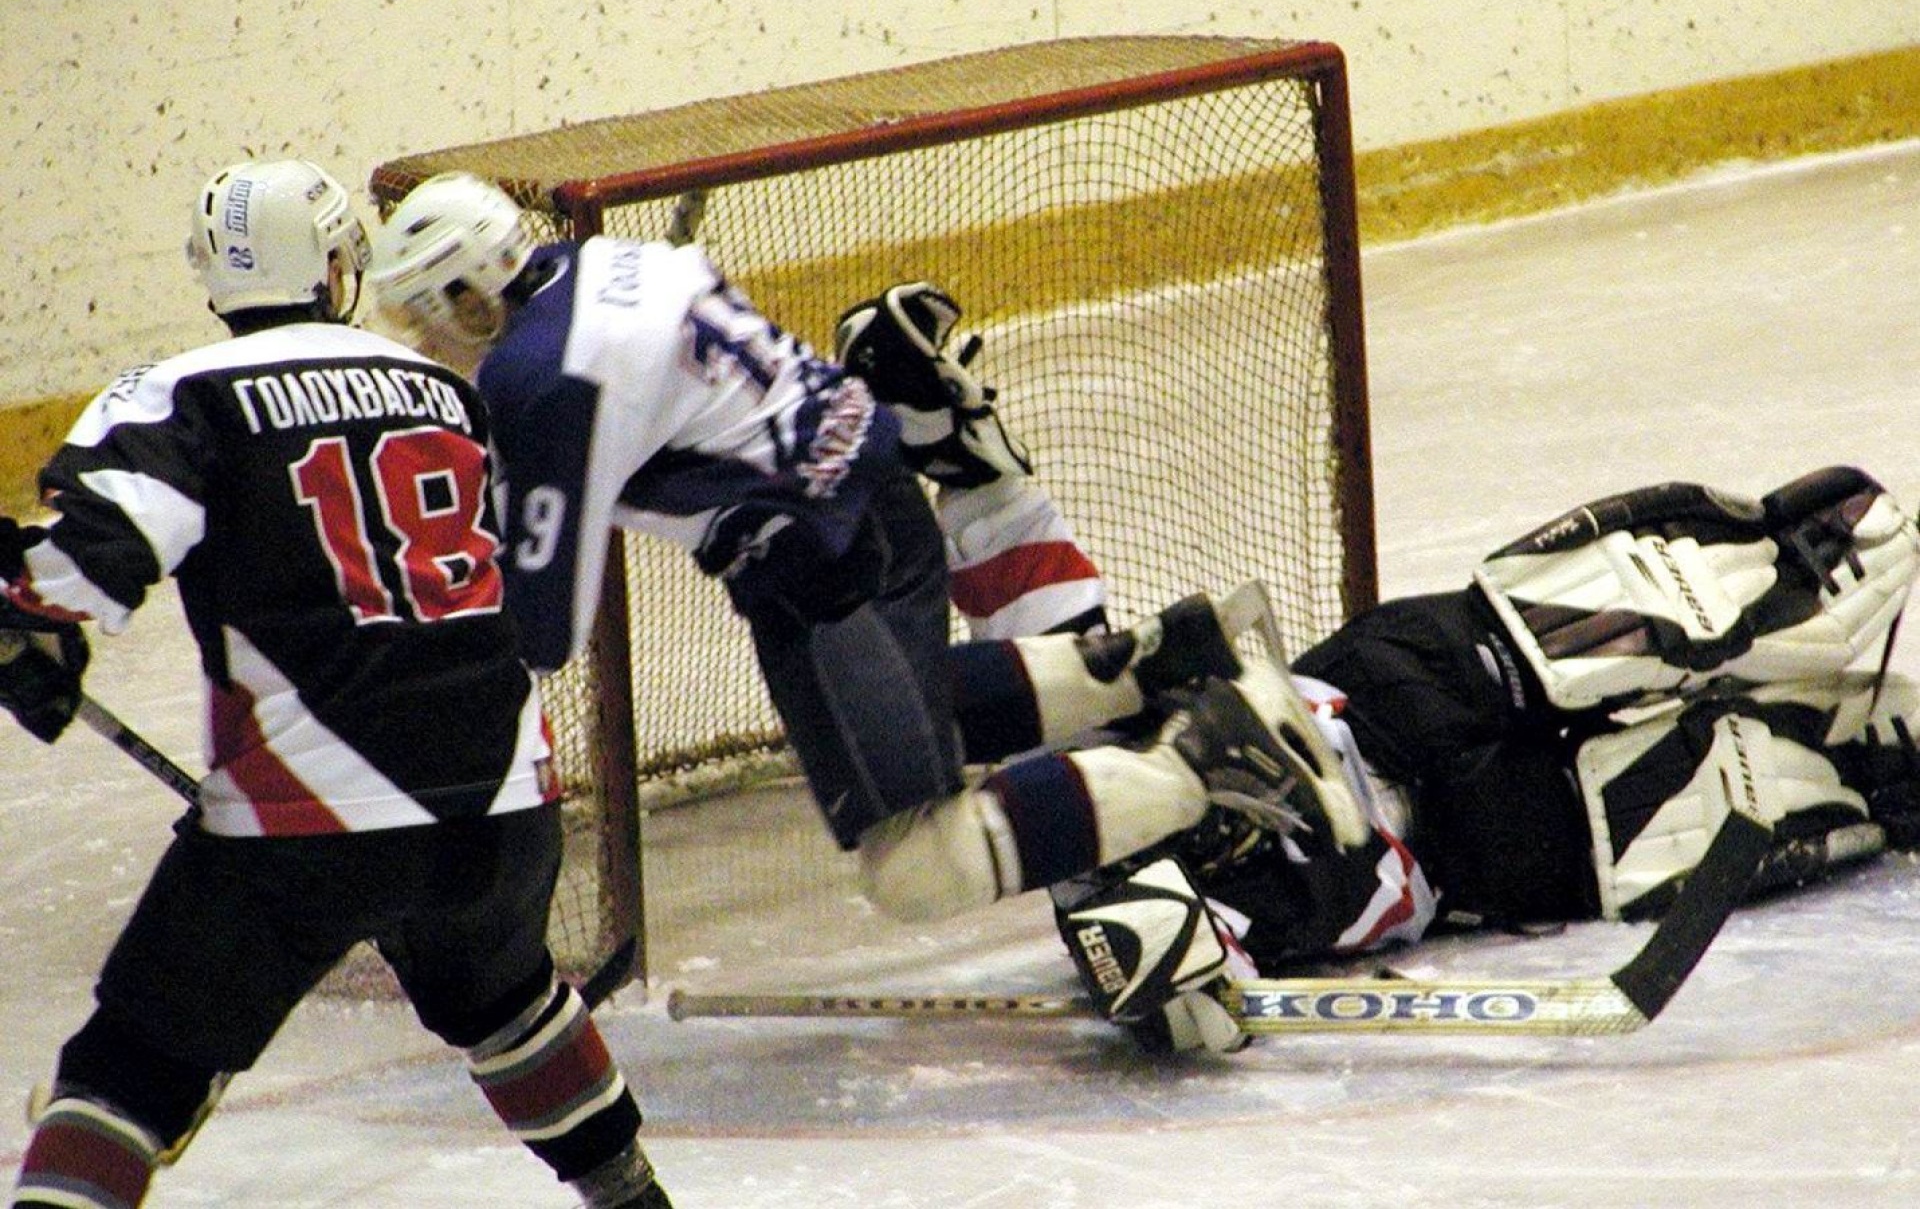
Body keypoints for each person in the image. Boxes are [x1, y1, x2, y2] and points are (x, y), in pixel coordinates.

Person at [831, 280, 1920, 1052]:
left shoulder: (1098, 869)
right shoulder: (1097, 854)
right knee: (1721, 768)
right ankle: (987, 483)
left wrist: (1175, 999)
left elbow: (1194, 1008)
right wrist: (1172, 990)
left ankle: (1203, 756)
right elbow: (1187, 996)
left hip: (1415, 801)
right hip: (1413, 763)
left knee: (1715, 730)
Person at [364, 176, 1365, 959]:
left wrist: (418, 674)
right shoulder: (607, 260)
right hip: (878, 499)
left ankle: (1212, 755)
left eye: (426, 317)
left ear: (469, 292)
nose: (427, 343)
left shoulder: (538, 377)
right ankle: (1162, 657)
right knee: (919, 707)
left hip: (827, 573)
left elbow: (545, 630)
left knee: (913, 864)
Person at [1, 160, 672, 1208]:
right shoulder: (445, 387)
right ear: (331, 265)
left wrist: (17, 621)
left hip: (309, 820)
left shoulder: (181, 393)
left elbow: (79, 570)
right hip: (502, 801)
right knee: (505, 996)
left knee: (130, 1067)